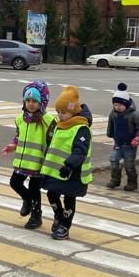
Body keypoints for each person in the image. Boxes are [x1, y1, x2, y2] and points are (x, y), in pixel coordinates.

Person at [40, 86, 92, 240]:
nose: (60, 115)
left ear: (73, 111)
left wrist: (69, 165)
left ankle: (65, 226)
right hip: (55, 170)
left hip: (72, 172)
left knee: (69, 198)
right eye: (58, 112)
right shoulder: (60, 125)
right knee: (51, 193)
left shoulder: (81, 128)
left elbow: (80, 150)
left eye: (63, 112)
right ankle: (59, 216)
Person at [1, 81, 52, 229]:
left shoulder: (47, 121)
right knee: (15, 183)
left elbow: (52, 141)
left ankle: (36, 216)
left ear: (42, 101)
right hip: (23, 161)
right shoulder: (20, 119)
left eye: (34, 101)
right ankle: (27, 200)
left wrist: (49, 161)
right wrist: (13, 145)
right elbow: (19, 136)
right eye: (28, 100)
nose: (30, 104)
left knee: (34, 189)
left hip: (38, 162)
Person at [105, 83, 139, 192]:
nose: (117, 107)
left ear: (126, 104)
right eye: (115, 105)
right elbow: (111, 124)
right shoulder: (113, 113)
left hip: (130, 145)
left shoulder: (134, 115)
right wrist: (109, 133)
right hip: (118, 143)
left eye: (120, 105)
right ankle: (115, 180)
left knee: (129, 165)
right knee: (113, 160)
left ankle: (132, 183)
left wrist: (138, 139)